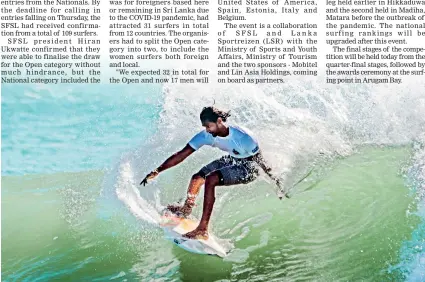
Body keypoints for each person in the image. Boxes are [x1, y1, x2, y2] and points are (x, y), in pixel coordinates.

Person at [140, 106, 283, 240]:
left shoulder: (243, 137)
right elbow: (182, 154)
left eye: (208, 126)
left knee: (211, 179)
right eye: (205, 127)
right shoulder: (206, 135)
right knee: (197, 178)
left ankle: (202, 229)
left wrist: (276, 182)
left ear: (219, 121)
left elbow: (261, 161)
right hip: (232, 159)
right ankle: (186, 209)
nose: (207, 130)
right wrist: (158, 170)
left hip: (249, 168)